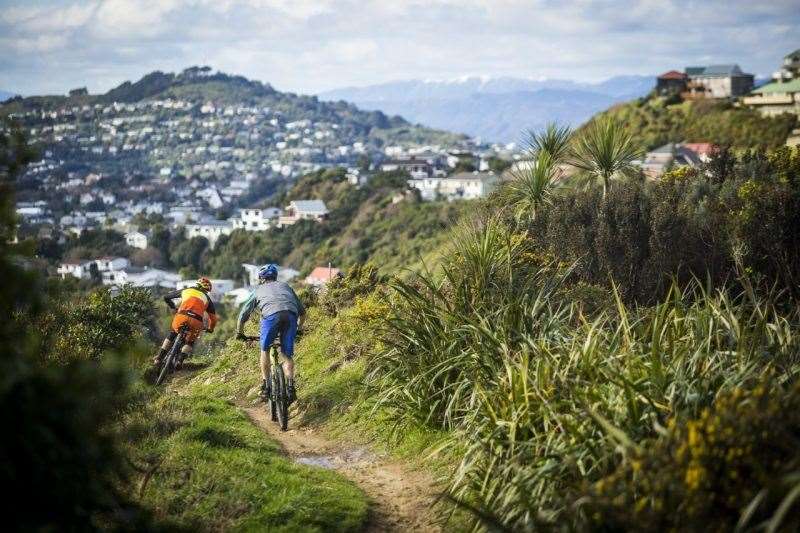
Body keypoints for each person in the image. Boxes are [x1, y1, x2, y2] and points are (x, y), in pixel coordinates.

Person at [236, 264, 305, 403]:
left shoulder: (258, 290)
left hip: (271, 316)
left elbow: (244, 314)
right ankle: (291, 387)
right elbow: (303, 313)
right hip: (291, 316)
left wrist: (240, 332)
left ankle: (266, 387)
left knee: (265, 350)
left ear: (261, 278)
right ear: (275, 277)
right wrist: (299, 328)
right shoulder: (286, 287)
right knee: (287, 355)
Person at [154, 277, 218, 368]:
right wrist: (210, 329)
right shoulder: (207, 299)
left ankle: (159, 358)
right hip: (196, 321)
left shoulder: (186, 291)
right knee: (190, 341)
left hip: (181, 316)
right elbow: (214, 319)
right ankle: (180, 361)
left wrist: (173, 307)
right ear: (206, 290)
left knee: (172, 334)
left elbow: (166, 297)